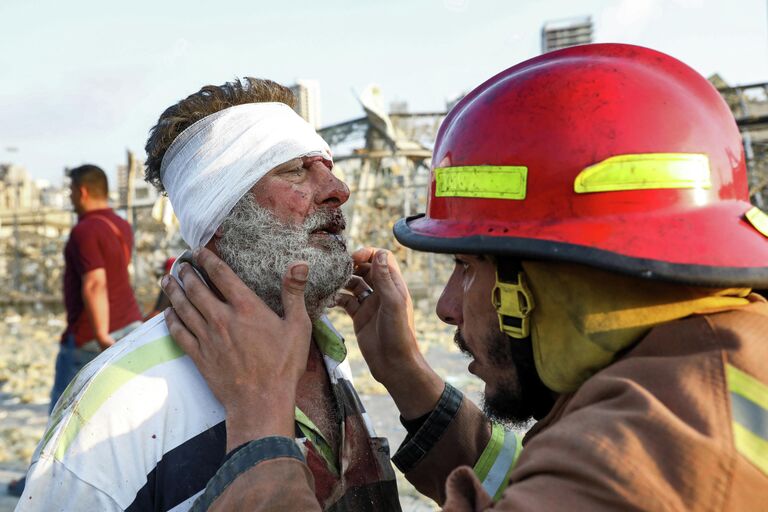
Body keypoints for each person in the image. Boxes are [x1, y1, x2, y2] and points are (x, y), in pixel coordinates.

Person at [162, 44, 768, 510]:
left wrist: (260, 424)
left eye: (468, 267)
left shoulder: (632, 468)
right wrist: (408, 377)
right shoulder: (716, 362)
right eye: (295, 170)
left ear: (553, 275)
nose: (447, 306)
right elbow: (521, 479)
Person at [18, 78, 400, 511]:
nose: (338, 189)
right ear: (220, 210)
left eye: (327, 165)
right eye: (295, 169)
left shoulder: (327, 351)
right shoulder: (118, 403)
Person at [7, 164, 142, 497]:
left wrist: (99, 334)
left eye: (70, 192)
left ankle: (40, 487)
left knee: (61, 415)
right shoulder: (120, 224)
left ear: (82, 191)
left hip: (91, 337)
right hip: (129, 326)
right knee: (114, 413)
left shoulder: (85, 230)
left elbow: (95, 283)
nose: (69, 198)